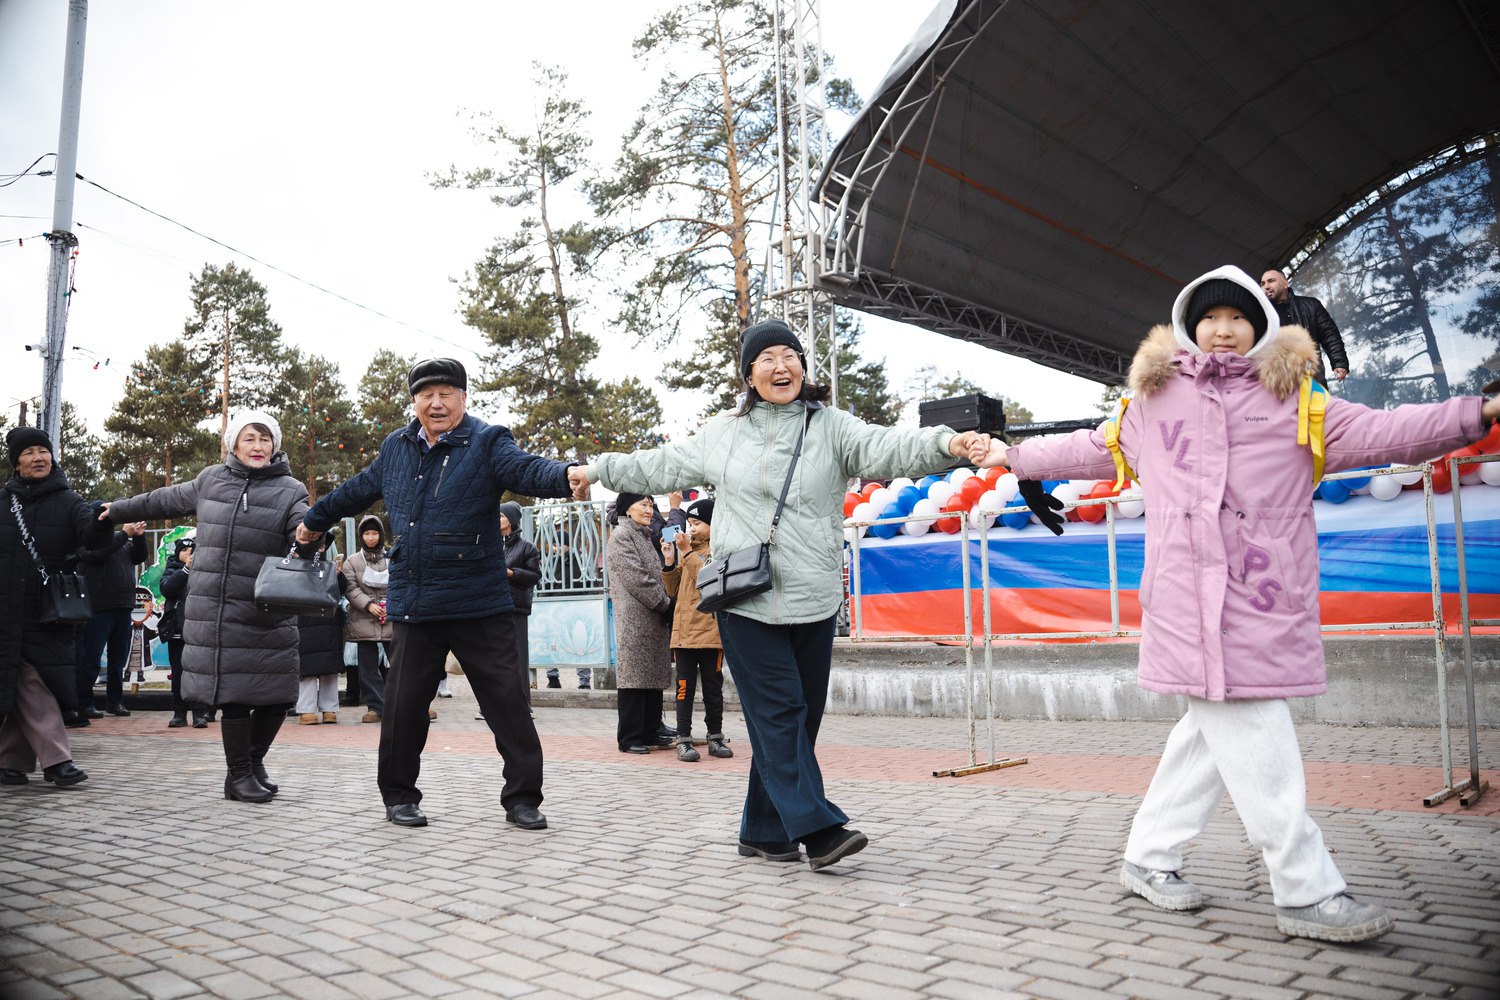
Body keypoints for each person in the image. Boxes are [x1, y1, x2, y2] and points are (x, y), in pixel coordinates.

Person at [976, 265, 1499, 943]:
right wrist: (1013, 456)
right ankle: (1305, 891)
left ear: (1260, 325)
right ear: (1190, 325)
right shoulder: (1153, 401)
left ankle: (1147, 856)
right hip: (1186, 600)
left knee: (1207, 733)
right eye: (1210, 318)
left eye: (1239, 318)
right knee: (1258, 737)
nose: (1224, 330)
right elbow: (1092, 447)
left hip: (1264, 596)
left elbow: (1390, 432)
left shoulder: (1301, 402)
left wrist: (1478, 413)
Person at [570, 319, 985, 870]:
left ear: (804, 368)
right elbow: (661, 462)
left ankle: (764, 831)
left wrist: (947, 442)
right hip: (747, 597)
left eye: (790, 354)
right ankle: (818, 829)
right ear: (748, 373)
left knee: (798, 720)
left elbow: (888, 446)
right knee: (781, 712)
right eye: (766, 357)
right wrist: (597, 467)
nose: (780, 365)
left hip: (813, 597)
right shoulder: (725, 432)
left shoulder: (831, 427)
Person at [296, 358, 579, 830]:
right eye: (427, 394)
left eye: (447, 393)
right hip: (417, 602)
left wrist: (563, 475)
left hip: (479, 600)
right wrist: (314, 519)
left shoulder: (488, 441)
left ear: (464, 398)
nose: (437, 402)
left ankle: (523, 798)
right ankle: (399, 796)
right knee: (403, 707)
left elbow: (525, 469)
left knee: (507, 704)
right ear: (414, 401)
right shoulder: (397, 448)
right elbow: (354, 491)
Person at [104, 411, 315, 804]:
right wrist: (117, 510)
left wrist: (309, 538)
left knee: (278, 697)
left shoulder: (291, 489)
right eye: (249, 438)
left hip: (267, 607)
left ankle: (252, 761)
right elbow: (159, 500)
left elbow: (302, 534)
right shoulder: (210, 480)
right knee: (234, 696)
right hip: (216, 610)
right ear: (232, 444)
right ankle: (238, 775)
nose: (258, 446)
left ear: (275, 445)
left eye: (265, 439)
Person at [0, 427, 112, 788]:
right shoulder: (4, 501)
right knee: (22, 680)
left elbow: (90, 535)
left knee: (35, 680)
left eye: (43, 451)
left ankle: (44, 760)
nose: (38, 458)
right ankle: (25, 762)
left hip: (47, 611)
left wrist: (101, 524)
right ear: (16, 463)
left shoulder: (69, 500)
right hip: (4, 610)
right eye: (29, 452)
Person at [660, 497, 732, 762]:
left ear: (713, 524)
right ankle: (684, 739)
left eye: (697, 523)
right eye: (689, 523)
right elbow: (673, 590)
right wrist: (669, 561)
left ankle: (715, 737)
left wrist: (687, 551)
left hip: (711, 633)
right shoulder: (686, 550)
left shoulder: (720, 547)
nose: (691, 528)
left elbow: (708, 577)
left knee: (713, 688)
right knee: (683, 688)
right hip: (684, 633)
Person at [607, 492, 676, 754]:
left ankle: (650, 729)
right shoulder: (622, 536)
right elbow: (637, 578)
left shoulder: (643, 535)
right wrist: (665, 603)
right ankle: (630, 737)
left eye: (651, 505)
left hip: (652, 613)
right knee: (634, 676)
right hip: (637, 615)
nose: (649, 510)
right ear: (627, 509)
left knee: (651, 674)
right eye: (643, 505)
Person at [72, 519, 150, 721]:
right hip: (97, 608)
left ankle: (115, 701)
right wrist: (123, 534)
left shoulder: (121, 543)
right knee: (91, 658)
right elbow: (99, 552)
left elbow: (140, 556)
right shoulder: (85, 543)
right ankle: (85, 703)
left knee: (118, 659)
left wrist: (139, 537)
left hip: (122, 607)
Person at [478, 502, 542, 720]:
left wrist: (511, 573)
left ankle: (523, 705)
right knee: (492, 658)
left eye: (502, 516)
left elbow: (534, 576)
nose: (497, 520)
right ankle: (490, 706)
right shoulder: (488, 544)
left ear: (512, 520)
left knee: (517, 657)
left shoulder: (527, 548)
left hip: (515, 607)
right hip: (491, 607)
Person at [1259, 268, 1350, 386]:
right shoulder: (1260, 315)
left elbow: (1329, 334)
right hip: (1278, 385)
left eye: (1271, 281)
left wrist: (1339, 362)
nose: (1266, 286)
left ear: (1285, 284)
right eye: (1262, 283)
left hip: (1311, 377)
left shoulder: (1311, 305)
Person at [343, 514, 393, 724]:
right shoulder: (352, 561)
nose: (370, 537)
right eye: (367, 533)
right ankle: (375, 706)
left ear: (381, 535)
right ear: (361, 536)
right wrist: (368, 604)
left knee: (400, 664)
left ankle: (402, 704)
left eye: (374, 533)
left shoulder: (393, 558)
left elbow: (402, 582)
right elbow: (350, 587)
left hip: (391, 618)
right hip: (363, 619)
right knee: (368, 667)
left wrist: (391, 604)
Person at [296, 537, 347, 725]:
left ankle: (329, 709)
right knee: (307, 667)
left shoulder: (331, 566)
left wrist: (339, 575)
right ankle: (306, 709)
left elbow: (342, 590)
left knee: (329, 668)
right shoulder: (297, 565)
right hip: (304, 622)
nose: (320, 547)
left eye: (324, 543)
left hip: (329, 622)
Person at [158, 536, 201, 728]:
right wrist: (186, 570)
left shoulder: (205, 571)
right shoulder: (172, 569)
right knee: (178, 673)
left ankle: (199, 714)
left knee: (199, 672)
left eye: (191, 551)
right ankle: (179, 713)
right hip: (177, 630)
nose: (188, 554)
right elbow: (167, 589)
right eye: (184, 550)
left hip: (200, 631)